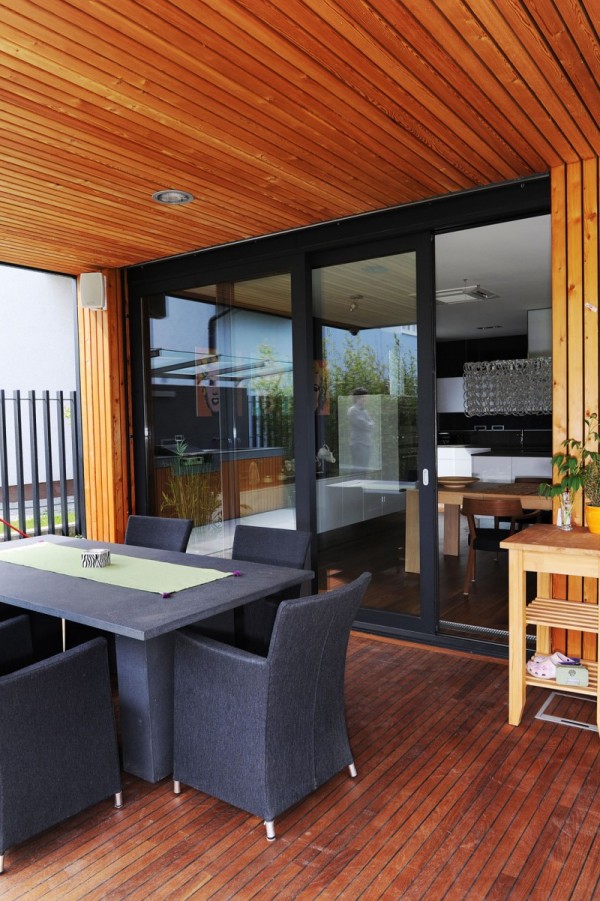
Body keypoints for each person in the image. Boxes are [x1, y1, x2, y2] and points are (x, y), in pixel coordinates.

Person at [348, 387, 374, 475]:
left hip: (366, 443)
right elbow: (364, 425)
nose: (366, 399)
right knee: (358, 468)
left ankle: (361, 487)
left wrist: (369, 424)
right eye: (364, 397)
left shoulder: (364, 411)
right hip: (358, 444)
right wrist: (369, 424)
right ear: (358, 398)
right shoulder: (353, 410)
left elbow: (372, 425)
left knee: (364, 469)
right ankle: (354, 487)